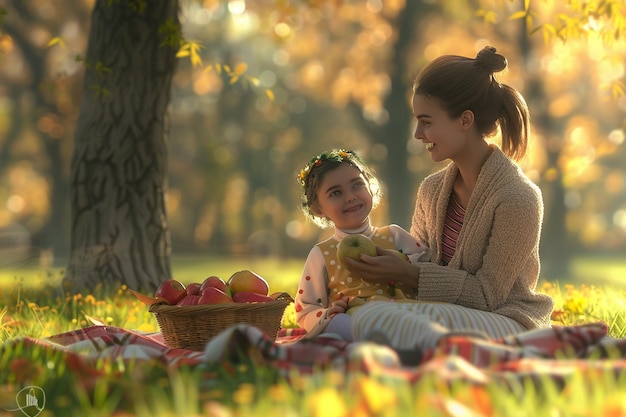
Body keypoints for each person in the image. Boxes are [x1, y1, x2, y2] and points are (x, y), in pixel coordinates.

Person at [344, 46, 554, 353]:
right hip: (447, 314)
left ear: (465, 120)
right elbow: (416, 268)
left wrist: (407, 273)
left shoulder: (518, 198)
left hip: (506, 321)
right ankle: (441, 352)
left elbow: (486, 296)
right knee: (366, 316)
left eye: (427, 122)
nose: (418, 133)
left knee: (378, 320)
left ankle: (460, 353)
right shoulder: (431, 191)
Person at [294, 149, 430, 340]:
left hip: (403, 315)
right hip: (353, 324)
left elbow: (428, 269)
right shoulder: (321, 254)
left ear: (370, 186)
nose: (350, 197)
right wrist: (329, 314)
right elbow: (304, 308)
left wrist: (403, 264)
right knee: (337, 326)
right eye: (336, 193)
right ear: (318, 209)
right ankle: (372, 344)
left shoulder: (394, 235)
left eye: (357, 185)